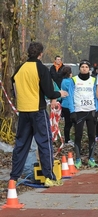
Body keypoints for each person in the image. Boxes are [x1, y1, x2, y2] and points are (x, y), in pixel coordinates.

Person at [10, 42, 68, 186]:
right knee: (44, 142)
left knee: (21, 144)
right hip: (37, 110)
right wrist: (59, 93)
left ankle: (14, 177)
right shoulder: (41, 68)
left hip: (23, 110)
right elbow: (49, 92)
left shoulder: (19, 68)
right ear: (40, 54)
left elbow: (13, 86)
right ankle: (49, 177)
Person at [67, 60, 98, 169]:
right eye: (82, 67)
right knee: (78, 135)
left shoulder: (93, 80)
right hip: (79, 111)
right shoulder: (74, 80)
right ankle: (78, 159)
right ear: (79, 68)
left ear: (89, 69)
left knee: (92, 135)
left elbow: (96, 95)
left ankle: (91, 158)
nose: (84, 68)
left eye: (86, 67)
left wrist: (97, 110)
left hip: (91, 110)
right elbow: (70, 96)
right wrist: (72, 111)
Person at [60, 66, 74, 146]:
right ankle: (67, 140)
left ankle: (67, 139)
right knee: (68, 123)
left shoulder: (63, 81)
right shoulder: (69, 81)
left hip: (65, 104)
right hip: (68, 105)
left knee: (68, 123)